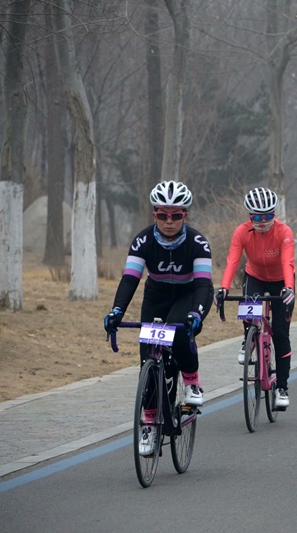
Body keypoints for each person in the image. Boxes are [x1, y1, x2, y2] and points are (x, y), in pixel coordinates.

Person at [103, 181, 213, 454]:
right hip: (157, 293)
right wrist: (117, 310)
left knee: (178, 335)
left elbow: (202, 284)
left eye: (176, 215)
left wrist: (197, 313)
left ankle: (192, 382)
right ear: (154, 215)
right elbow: (130, 279)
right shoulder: (143, 240)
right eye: (162, 215)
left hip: (190, 293)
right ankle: (150, 424)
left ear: (184, 215)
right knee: (147, 358)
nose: (169, 221)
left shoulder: (198, 242)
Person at [216, 187, 296, 409]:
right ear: (249, 216)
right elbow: (233, 260)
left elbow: (287, 262)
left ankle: (282, 388)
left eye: (268, 216)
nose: (263, 221)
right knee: (249, 310)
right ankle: (249, 338)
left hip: (281, 280)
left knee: (280, 334)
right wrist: (223, 287)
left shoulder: (284, 231)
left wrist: (289, 287)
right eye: (257, 217)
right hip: (255, 276)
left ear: (274, 214)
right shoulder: (241, 232)